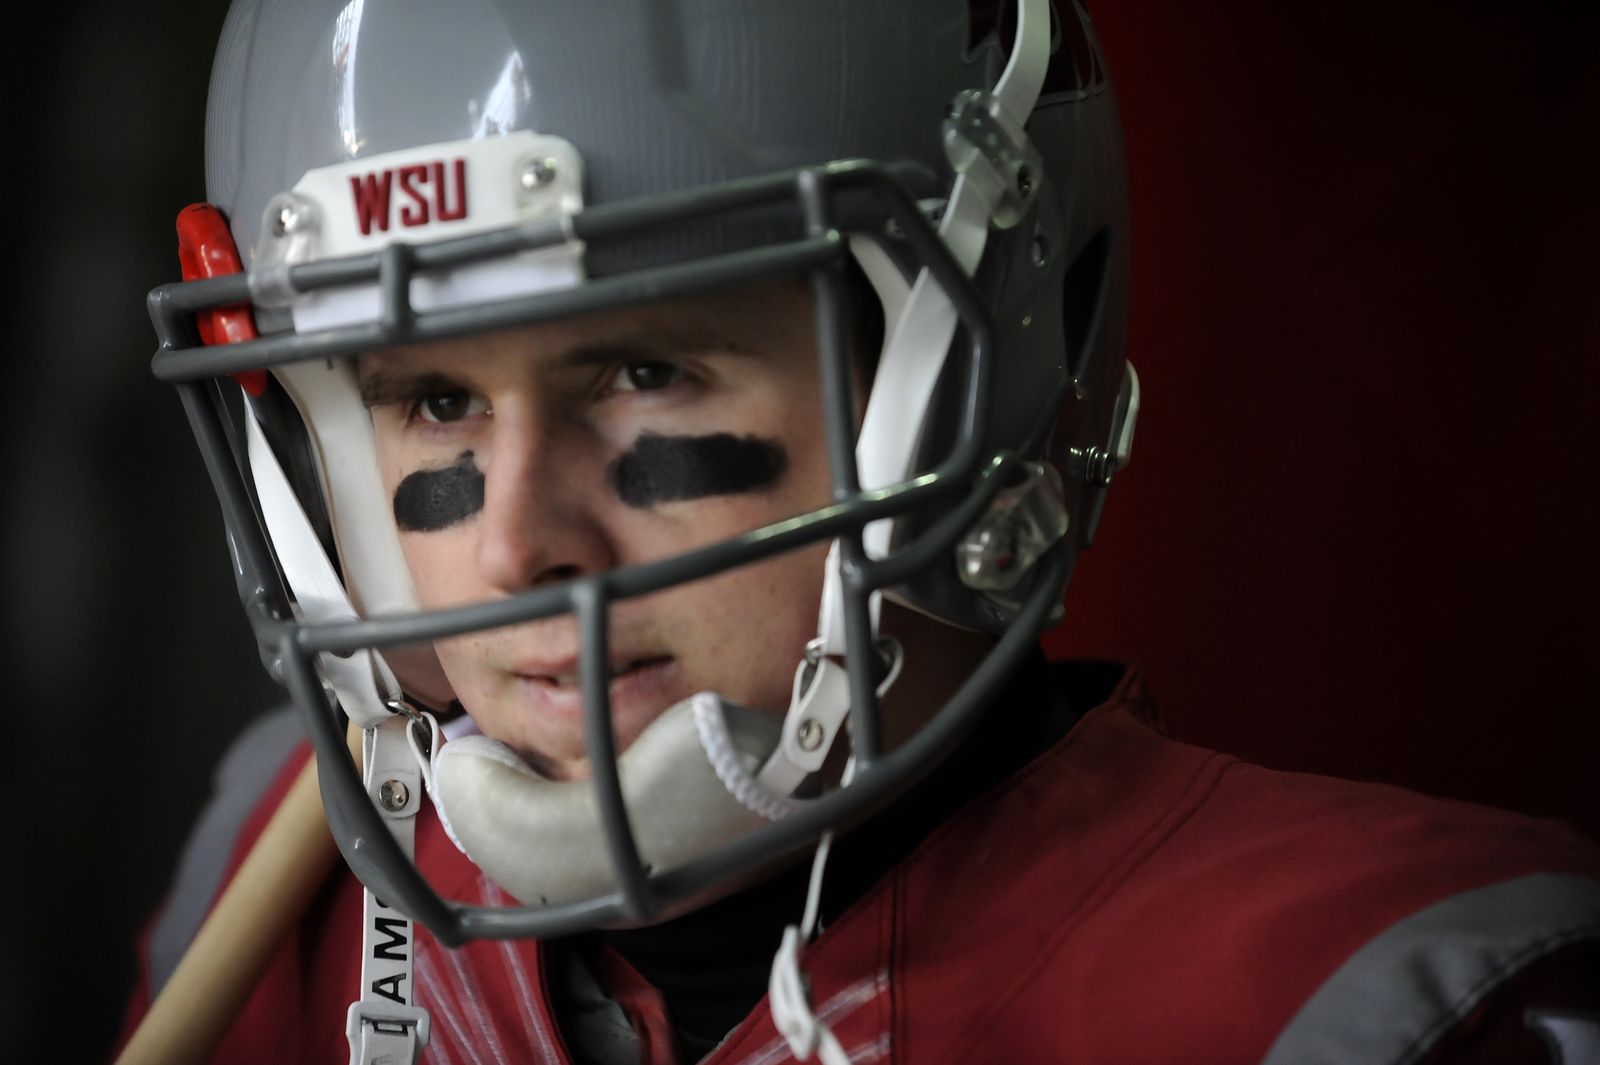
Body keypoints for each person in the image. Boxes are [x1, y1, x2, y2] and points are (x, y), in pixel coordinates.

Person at [121, 0, 1600, 1062]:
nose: (516, 550)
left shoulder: (1381, 997)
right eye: (435, 397)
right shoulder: (278, 886)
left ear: (988, 371)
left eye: (647, 373)